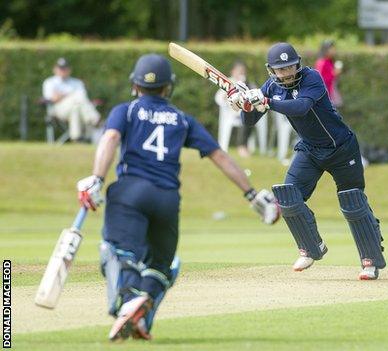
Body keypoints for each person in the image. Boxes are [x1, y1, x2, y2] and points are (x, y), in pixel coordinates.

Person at [76, 54, 279, 341]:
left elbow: (109, 139)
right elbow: (219, 156)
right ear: (168, 88)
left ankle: (129, 298)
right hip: (167, 199)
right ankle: (142, 314)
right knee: (165, 265)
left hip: (130, 192)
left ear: (135, 84)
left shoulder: (127, 111)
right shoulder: (182, 120)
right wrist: (251, 194)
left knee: (117, 251)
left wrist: (96, 177)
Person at [228, 42, 386, 280]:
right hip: (311, 150)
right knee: (287, 194)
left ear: (298, 64)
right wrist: (244, 104)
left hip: (341, 148)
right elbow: (249, 122)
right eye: (280, 70)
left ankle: (370, 260)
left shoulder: (312, 78)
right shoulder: (271, 86)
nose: (286, 73)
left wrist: (266, 102)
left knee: (352, 201)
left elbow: (301, 107)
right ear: (271, 70)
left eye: (290, 67)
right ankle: (312, 248)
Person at [215, 61, 267, 157]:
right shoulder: (227, 83)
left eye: (243, 71)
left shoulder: (248, 83)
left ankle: (244, 145)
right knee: (246, 115)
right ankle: (241, 146)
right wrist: (229, 97)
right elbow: (219, 99)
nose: (241, 73)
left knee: (250, 114)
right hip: (231, 113)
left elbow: (257, 96)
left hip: (244, 110)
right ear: (233, 72)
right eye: (239, 71)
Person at [42, 57, 101, 142]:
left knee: (76, 107)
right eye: (61, 68)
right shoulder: (49, 82)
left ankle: (76, 137)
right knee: (77, 97)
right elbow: (53, 99)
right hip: (58, 109)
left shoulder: (77, 82)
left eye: (65, 68)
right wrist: (69, 95)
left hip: (77, 107)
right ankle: (95, 120)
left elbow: (84, 98)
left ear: (69, 69)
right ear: (55, 69)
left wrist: (62, 94)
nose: (63, 71)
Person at [314, 40, 343, 107]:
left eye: (334, 48)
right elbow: (320, 79)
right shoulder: (322, 62)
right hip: (324, 95)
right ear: (325, 50)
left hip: (331, 92)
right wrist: (334, 74)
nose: (333, 51)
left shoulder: (329, 61)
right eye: (331, 49)